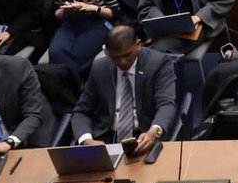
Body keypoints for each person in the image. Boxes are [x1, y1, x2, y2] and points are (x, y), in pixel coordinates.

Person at [66, 24, 177, 155]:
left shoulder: (158, 64)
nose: (122, 62)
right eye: (115, 57)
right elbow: (81, 111)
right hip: (105, 139)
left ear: (138, 44)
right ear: (106, 52)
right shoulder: (100, 67)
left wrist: (154, 131)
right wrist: (86, 140)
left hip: (144, 136)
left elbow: (166, 104)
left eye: (127, 55)